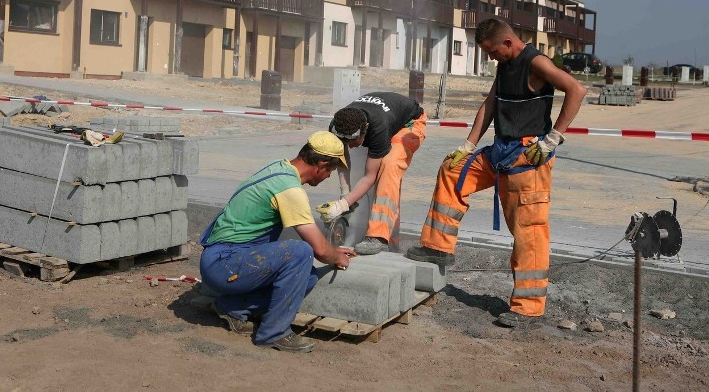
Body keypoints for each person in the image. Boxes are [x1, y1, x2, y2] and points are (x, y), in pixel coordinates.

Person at [406, 18, 587, 327]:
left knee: (528, 229)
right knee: (452, 171)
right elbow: (490, 105)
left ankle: (528, 307)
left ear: (507, 43)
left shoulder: (536, 62)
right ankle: (437, 248)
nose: (491, 58)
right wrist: (467, 145)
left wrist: (553, 138)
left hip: (528, 155)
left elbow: (577, 90)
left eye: (492, 52)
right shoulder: (504, 66)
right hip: (501, 150)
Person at [199, 131, 356, 353]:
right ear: (321, 164)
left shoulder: (279, 167)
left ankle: (232, 307)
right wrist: (336, 255)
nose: (329, 176)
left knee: (307, 277)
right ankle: (274, 333)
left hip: (224, 259)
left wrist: (332, 250)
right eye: (330, 170)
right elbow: (319, 250)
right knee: (301, 252)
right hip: (224, 263)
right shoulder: (290, 190)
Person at [318, 92, 427, 255]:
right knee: (381, 177)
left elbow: (370, 176)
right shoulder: (338, 124)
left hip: (410, 123)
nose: (352, 146)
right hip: (388, 114)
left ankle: (379, 238)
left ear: (366, 129)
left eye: (354, 141)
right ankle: (392, 243)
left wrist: (343, 205)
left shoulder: (378, 127)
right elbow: (342, 155)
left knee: (388, 166)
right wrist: (345, 194)